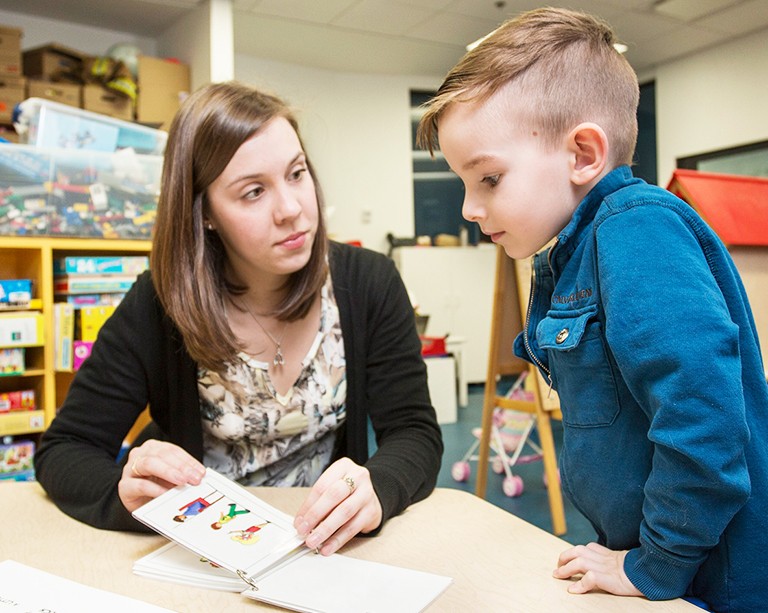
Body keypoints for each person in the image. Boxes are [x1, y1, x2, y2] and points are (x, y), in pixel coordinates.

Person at [417, 7, 767, 612]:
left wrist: (658, 561)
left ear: (583, 154)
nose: (470, 210)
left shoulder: (638, 231)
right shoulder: (576, 247)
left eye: (490, 179)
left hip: (712, 577)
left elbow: (703, 416)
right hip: (657, 555)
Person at [35, 80, 443, 557]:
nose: (292, 209)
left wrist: (380, 485)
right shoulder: (158, 302)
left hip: (321, 553)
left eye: (296, 173)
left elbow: (414, 432)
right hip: (197, 553)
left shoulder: (369, 283)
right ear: (204, 213)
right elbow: (65, 448)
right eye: (253, 192)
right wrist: (124, 499)